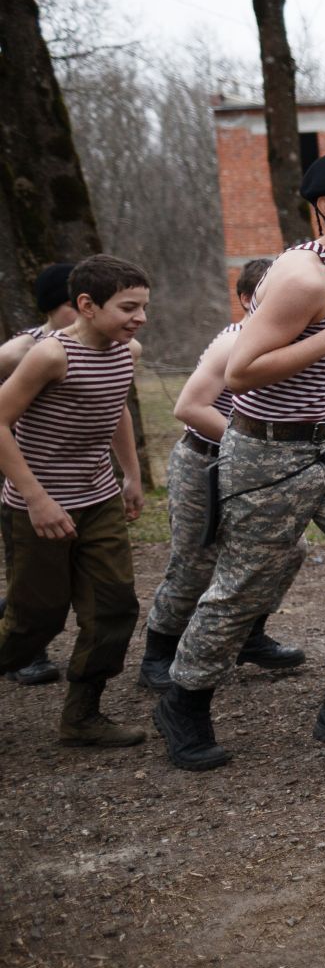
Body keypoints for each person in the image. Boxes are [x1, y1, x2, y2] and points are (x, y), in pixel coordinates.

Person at [151, 151, 325, 772]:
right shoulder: (302, 277)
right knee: (247, 585)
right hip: (267, 449)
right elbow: (240, 373)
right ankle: (184, 701)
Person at [138, 259, 307, 692]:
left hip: (258, 466)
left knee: (286, 550)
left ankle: (250, 635)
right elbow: (189, 408)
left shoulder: (293, 341)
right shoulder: (233, 342)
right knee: (197, 560)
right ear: (250, 300)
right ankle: (159, 652)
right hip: (205, 462)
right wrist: (252, 444)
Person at [0, 254, 150, 745]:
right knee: (34, 621)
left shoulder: (126, 353)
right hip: (37, 507)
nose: (140, 318)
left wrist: (130, 475)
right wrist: (37, 499)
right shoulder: (49, 356)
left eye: (144, 307)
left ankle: (82, 715)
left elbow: (116, 410)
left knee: (114, 606)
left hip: (98, 499)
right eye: (128, 307)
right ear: (87, 305)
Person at [0, 262, 79, 686]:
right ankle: (28, 654)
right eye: (72, 305)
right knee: (27, 564)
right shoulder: (20, 350)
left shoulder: (94, 346)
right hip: (18, 467)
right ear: (54, 307)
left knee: (60, 571)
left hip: (71, 472)